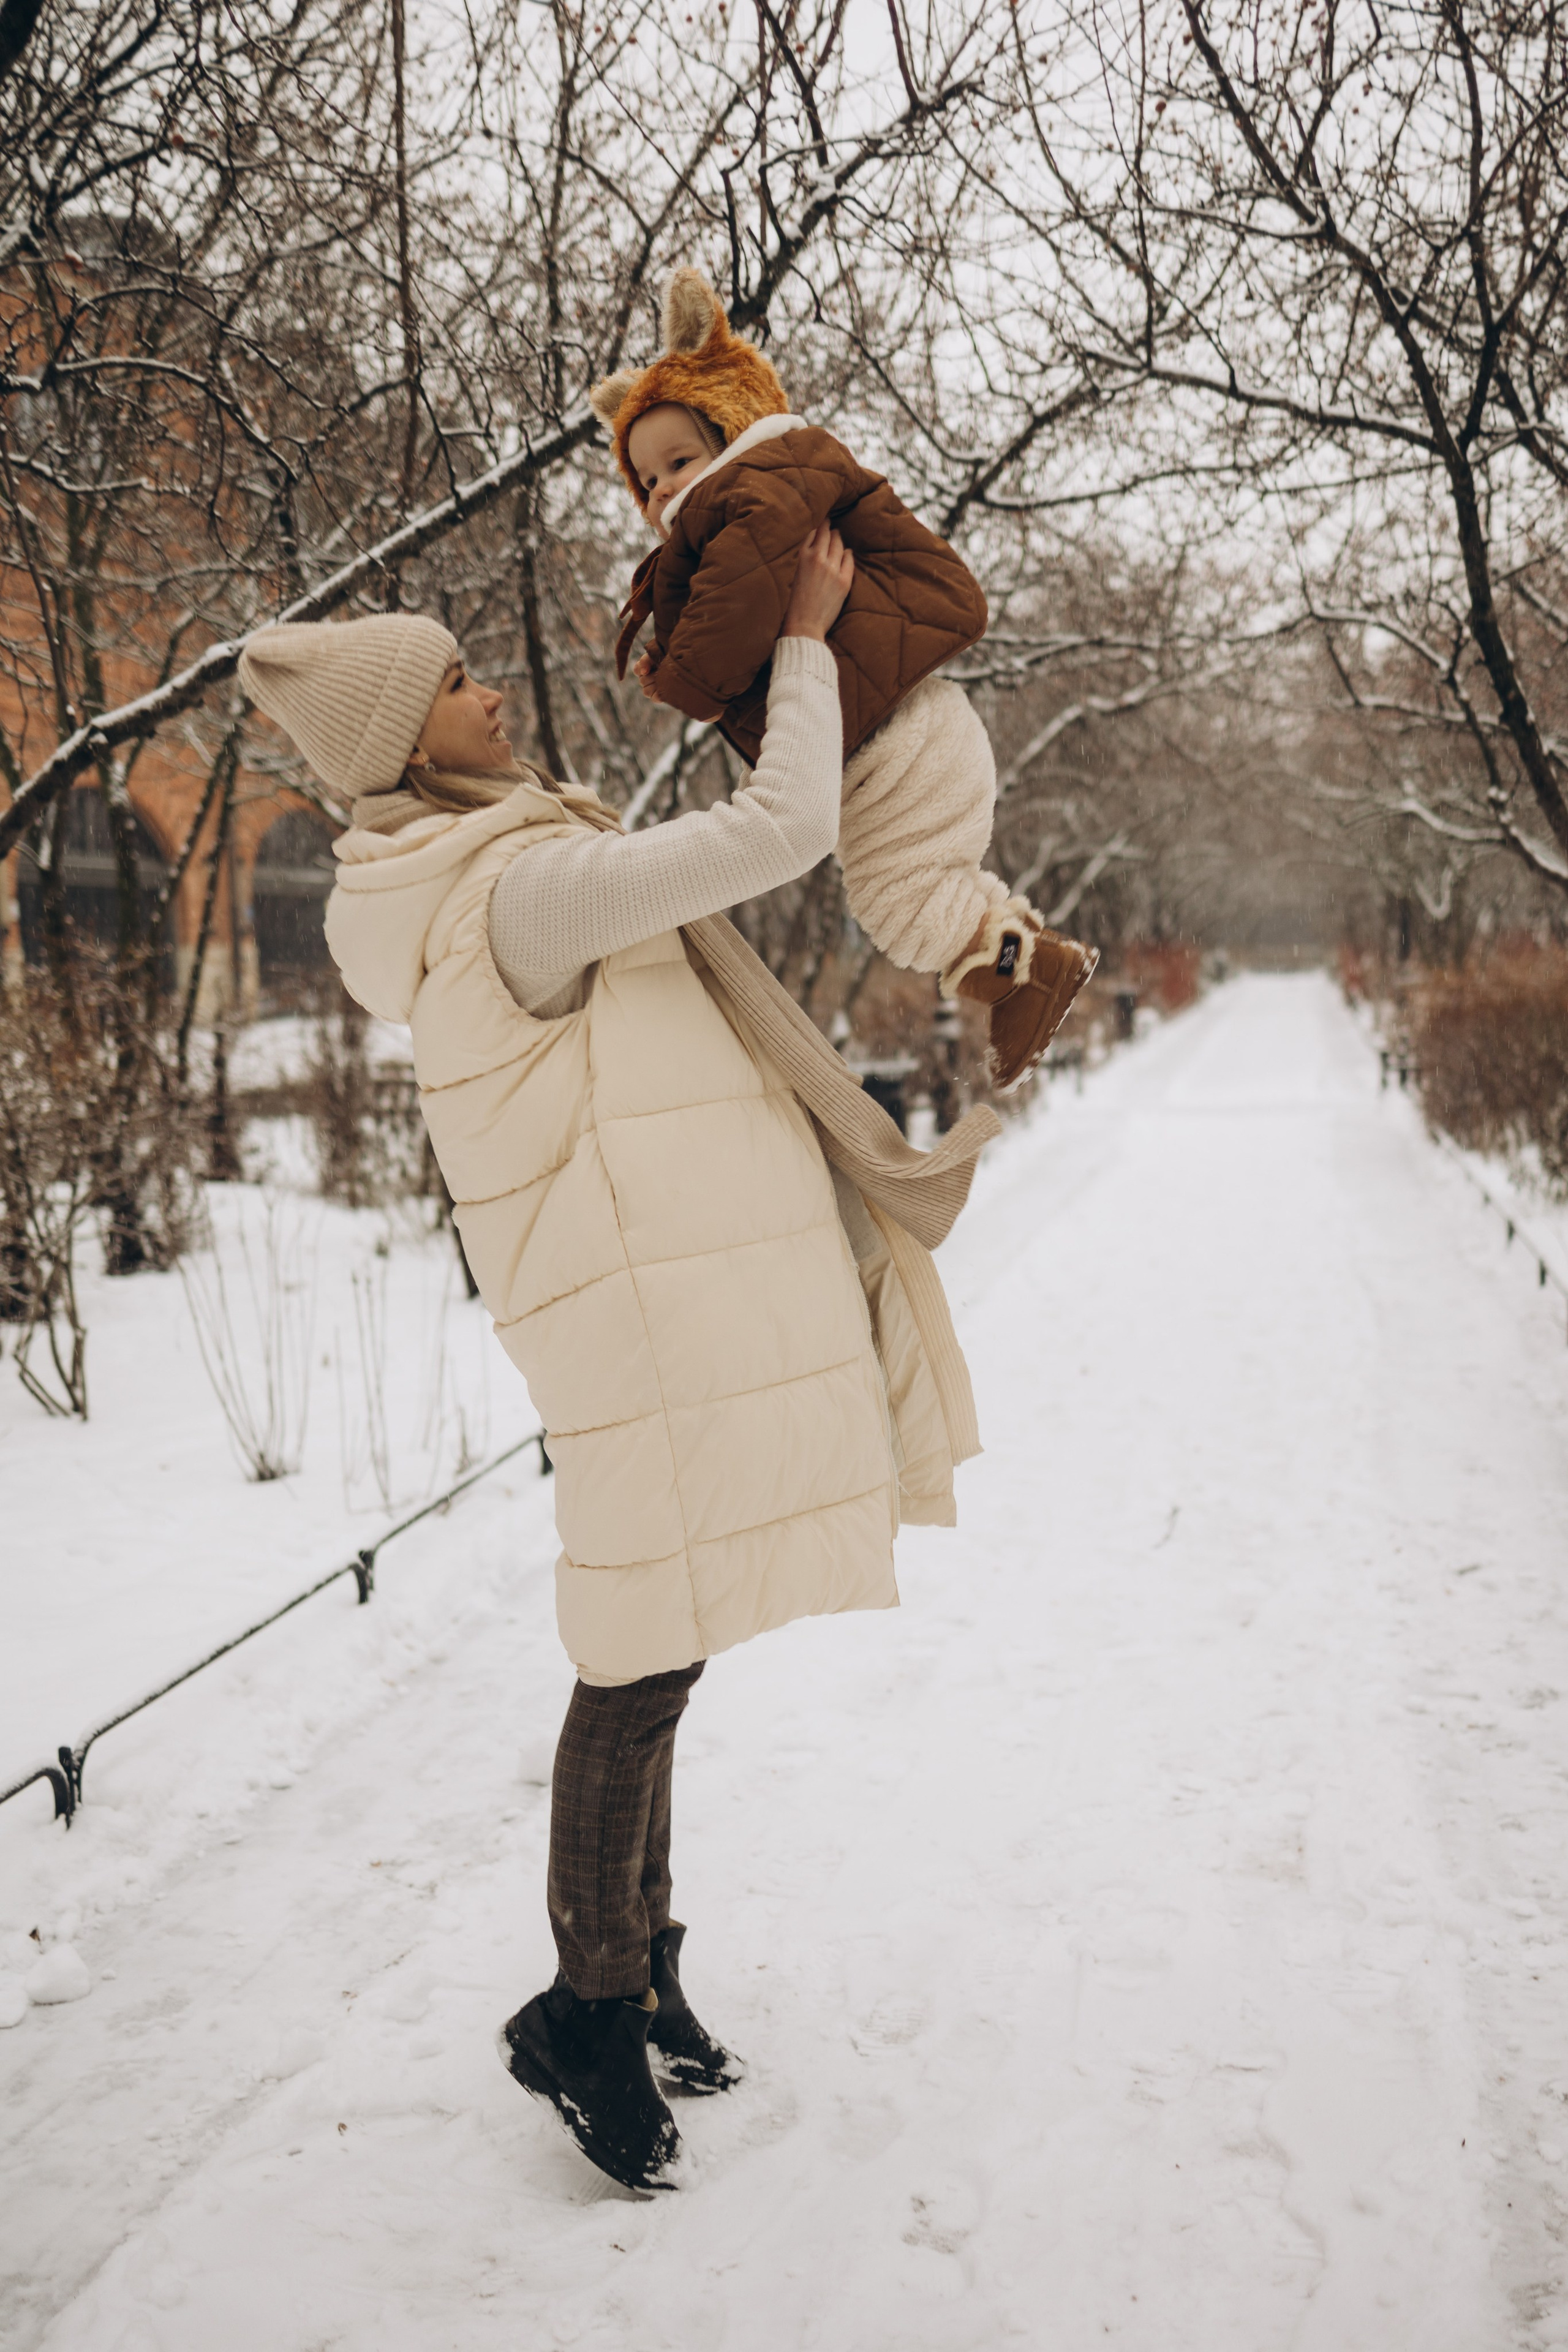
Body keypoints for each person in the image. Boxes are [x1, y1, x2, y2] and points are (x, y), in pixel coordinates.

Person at [236, 527, 999, 2196]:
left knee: (670, 1640)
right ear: (396, 746)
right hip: (632, 1312)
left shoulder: (484, 868)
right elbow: (783, 832)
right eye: (453, 681)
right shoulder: (515, 890)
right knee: (640, 1652)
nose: (488, 689)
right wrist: (803, 639)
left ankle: (636, 1966)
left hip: (634, 1298)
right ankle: (584, 2008)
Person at [589, 266, 1098, 1095]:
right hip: (913, 733)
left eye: (679, 460)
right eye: (645, 482)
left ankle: (1033, 970)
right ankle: (1022, 964)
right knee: (934, 891)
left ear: (734, 427)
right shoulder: (755, 506)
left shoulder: (757, 494)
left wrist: (680, 675)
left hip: (893, 747)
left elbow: (717, 653)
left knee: (900, 910)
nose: (663, 492)